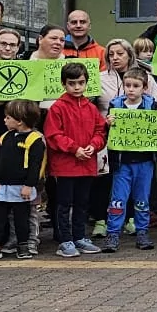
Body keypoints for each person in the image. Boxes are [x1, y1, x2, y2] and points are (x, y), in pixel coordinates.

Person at [44, 61, 106, 257]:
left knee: (82, 203)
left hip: (86, 163)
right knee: (64, 204)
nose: (77, 87)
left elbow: (100, 131)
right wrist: (75, 149)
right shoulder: (57, 107)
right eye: (72, 83)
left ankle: (79, 237)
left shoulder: (91, 108)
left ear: (86, 83)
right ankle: (65, 240)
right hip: (65, 165)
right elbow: (53, 135)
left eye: (80, 83)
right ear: (64, 84)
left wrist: (92, 146)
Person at [103, 68, 157, 252]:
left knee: (142, 199)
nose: (131, 89)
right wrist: (108, 123)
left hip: (144, 161)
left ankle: (142, 231)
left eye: (136, 86)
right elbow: (108, 134)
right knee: (118, 199)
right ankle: (113, 233)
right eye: (127, 85)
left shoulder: (151, 105)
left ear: (144, 87)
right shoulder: (116, 104)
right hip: (122, 162)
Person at [0, 100, 46, 260]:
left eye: (8, 117)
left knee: (22, 218)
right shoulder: (5, 137)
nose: (4, 120)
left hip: (21, 187)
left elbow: (35, 165)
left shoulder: (34, 139)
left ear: (19, 120)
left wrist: (29, 185)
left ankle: (23, 245)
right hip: (1, 186)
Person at [98, 39, 138, 108]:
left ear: (129, 55)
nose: (115, 58)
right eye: (111, 55)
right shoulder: (99, 79)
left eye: (120, 54)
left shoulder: (145, 77)